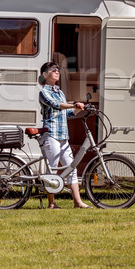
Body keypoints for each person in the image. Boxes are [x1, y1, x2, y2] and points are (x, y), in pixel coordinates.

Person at [38, 61, 91, 209]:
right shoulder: (44, 92)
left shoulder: (60, 92)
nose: (57, 71)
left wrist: (81, 108)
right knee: (53, 169)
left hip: (63, 136)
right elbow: (56, 105)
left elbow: (67, 112)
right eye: (53, 69)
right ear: (44, 74)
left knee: (71, 168)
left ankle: (78, 202)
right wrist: (74, 104)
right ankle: (51, 204)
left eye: (58, 70)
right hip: (51, 135)